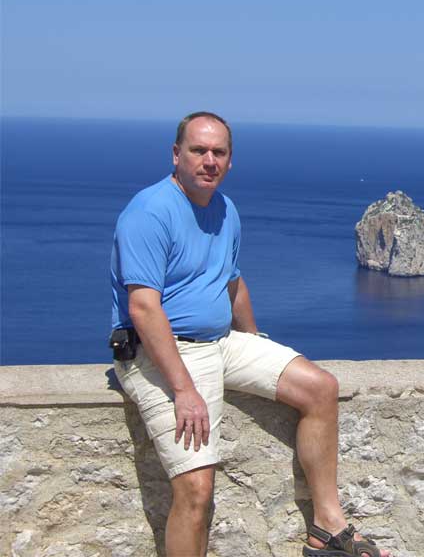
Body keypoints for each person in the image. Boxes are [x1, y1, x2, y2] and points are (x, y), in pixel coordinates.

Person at [110, 112, 390, 557]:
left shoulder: (224, 209)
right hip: (162, 353)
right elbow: (143, 307)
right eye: (198, 150)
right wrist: (183, 389)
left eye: (218, 152)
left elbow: (231, 282)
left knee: (320, 388)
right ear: (176, 154)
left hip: (220, 343)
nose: (209, 161)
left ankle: (327, 527)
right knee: (196, 490)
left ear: (230, 160)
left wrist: (255, 341)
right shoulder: (149, 212)